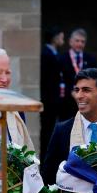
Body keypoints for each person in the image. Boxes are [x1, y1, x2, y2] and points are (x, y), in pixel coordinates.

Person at [58, 28, 97, 119]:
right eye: (77, 41)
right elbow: (59, 80)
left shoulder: (91, 59)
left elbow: (94, 79)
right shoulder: (61, 58)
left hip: (86, 101)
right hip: (66, 102)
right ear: (70, 42)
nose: (80, 44)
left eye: (82, 42)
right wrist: (71, 92)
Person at [40, 27, 64, 158]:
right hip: (49, 99)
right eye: (61, 37)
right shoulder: (46, 53)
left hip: (54, 99)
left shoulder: (54, 53)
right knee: (48, 131)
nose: (63, 41)